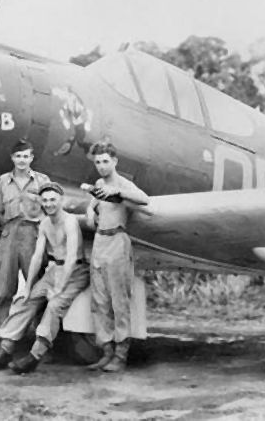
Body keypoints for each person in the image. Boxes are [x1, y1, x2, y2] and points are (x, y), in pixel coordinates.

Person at [0, 182, 90, 373]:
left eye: (53, 200)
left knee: (55, 306)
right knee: (26, 301)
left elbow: (72, 256)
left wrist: (59, 287)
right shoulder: (45, 223)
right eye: (45, 201)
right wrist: (28, 287)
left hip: (75, 271)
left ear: (61, 200)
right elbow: (37, 256)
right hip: (54, 269)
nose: (49, 204)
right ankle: (5, 351)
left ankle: (34, 356)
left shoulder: (70, 221)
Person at [0, 139, 50, 365]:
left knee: (37, 289)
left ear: (32, 158)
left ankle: (40, 339)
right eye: (18, 156)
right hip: (10, 234)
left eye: (26, 156)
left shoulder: (42, 181)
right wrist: (10, 229)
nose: (22, 160)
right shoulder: (3, 181)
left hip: (33, 235)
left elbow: (50, 208)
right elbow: (0, 211)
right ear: (13, 158)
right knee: (4, 289)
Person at [83, 142, 148, 373]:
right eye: (98, 162)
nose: (101, 166)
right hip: (100, 242)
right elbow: (94, 198)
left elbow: (144, 199)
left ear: (115, 161)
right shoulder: (100, 183)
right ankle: (106, 352)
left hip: (117, 241)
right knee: (100, 300)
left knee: (119, 301)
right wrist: (91, 211)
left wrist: (118, 193)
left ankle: (121, 354)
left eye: (105, 162)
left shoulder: (123, 184)